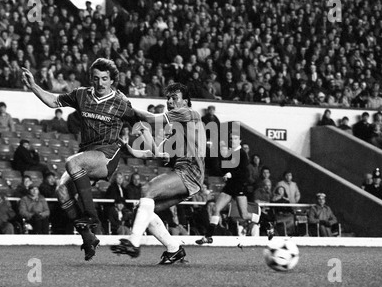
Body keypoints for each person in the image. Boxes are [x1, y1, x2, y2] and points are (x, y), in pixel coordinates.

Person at [21, 58, 134, 261]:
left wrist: (145, 144)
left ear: (112, 81)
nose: (100, 83)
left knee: (73, 163)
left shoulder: (121, 102)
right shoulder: (81, 94)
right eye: (96, 78)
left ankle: (92, 216)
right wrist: (34, 86)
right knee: (62, 191)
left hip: (108, 155)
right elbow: (53, 101)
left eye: (105, 79)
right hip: (88, 153)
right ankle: (88, 237)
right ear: (91, 78)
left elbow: (140, 121)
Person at [110, 83, 206, 264]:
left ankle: (133, 243)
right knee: (143, 208)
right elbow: (156, 152)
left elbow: (152, 118)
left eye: (174, 98)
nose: (170, 101)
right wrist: (129, 147)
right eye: (168, 98)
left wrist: (126, 104)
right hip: (185, 172)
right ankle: (174, 249)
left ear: (185, 101)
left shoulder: (189, 113)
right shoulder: (175, 127)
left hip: (190, 171)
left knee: (147, 189)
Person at [196, 132, 274, 246]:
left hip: (238, 186)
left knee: (245, 215)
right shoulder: (231, 153)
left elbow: (244, 173)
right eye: (231, 138)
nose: (232, 140)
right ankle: (208, 236)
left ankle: (267, 223)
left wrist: (231, 174)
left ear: (240, 141)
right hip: (229, 186)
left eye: (235, 138)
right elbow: (224, 169)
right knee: (216, 208)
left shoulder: (242, 154)